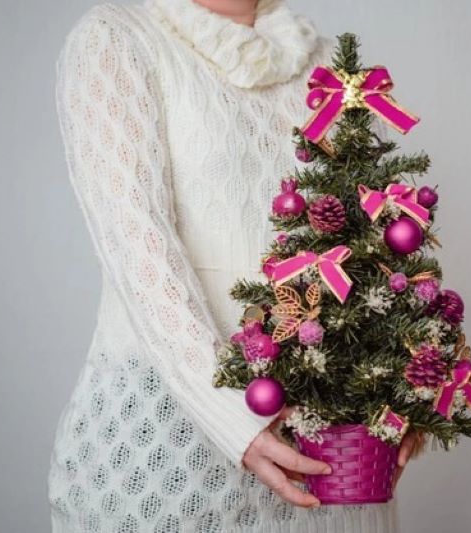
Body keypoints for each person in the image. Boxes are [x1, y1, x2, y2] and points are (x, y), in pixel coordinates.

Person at [48, 0, 417, 531]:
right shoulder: (117, 38)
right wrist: (232, 417)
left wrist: (403, 388)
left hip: (330, 454)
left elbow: (375, 242)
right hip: (169, 444)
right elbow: (139, 250)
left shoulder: (330, 61)